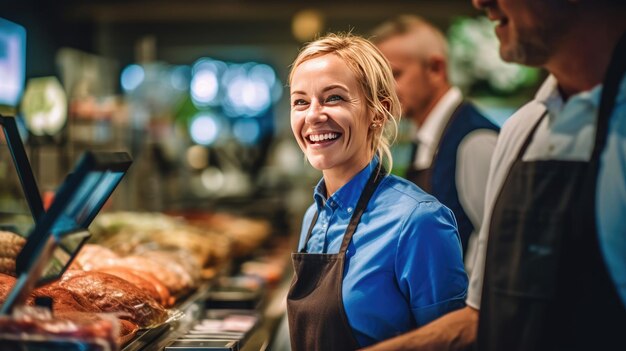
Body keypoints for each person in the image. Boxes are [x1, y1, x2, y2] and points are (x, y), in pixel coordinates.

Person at [363, 0, 626, 350]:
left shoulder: (475, 140)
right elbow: (484, 312)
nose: (479, 2)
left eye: (394, 74)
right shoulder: (523, 128)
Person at [287, 33, 468, 350]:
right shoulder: (313, 216)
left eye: (334, 98)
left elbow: (452, 341)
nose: (313, 115)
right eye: (300, 101)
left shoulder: (418, 221)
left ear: (378, 112)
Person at [371, 16, 499, 266]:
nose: (383, 92)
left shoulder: (475, 140)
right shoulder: (426, 138)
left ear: (436, 69)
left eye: (395, 74)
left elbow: (498, 247)